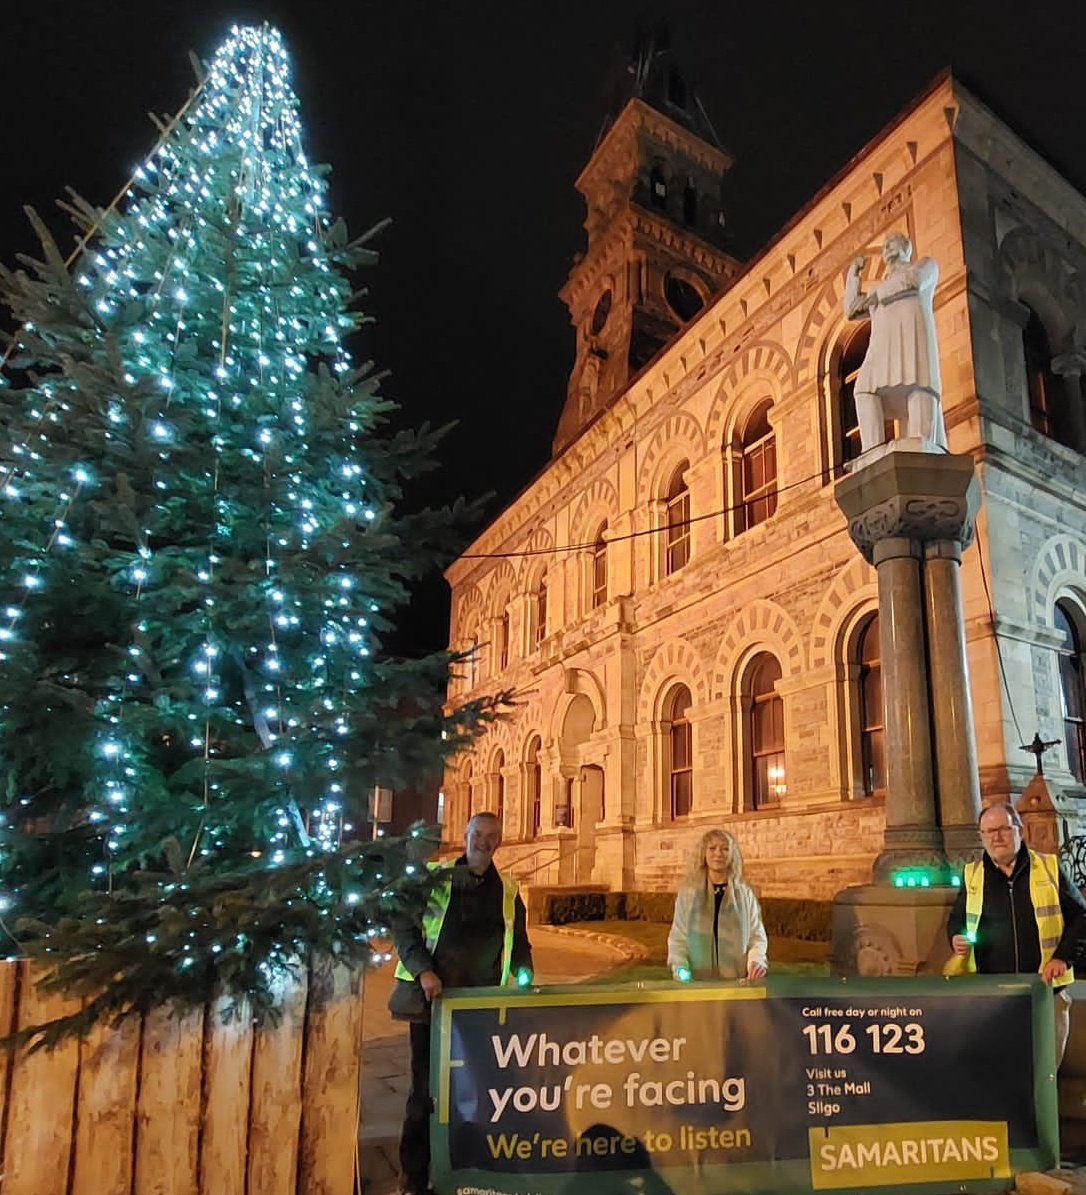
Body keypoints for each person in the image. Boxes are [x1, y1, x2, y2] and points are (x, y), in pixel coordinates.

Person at [391, 810, 533, 1195]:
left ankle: (461, 1170)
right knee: (425, 1094)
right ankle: (414, 1177)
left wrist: (524, 978)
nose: (483, 842)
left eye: (492, 836)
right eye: (478, 834)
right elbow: (403, 929)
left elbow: (519, 943)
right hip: (432, 1007)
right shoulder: (433, 879)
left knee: (472, 1094)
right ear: (465, 835)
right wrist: (423, 971)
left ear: (499, 842)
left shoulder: (507, 889)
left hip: (481, 1011)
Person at [947, 801, 1086, 1065]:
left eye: (1003, 829)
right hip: (994, 995)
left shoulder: (1049, 867)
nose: (996, 837)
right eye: (988, 831)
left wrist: (1063, 957)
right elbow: (957, 919)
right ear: (981, 837)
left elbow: (1081, 917)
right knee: (1004, 1071)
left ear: (1019, 831)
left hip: (1046, 992)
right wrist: (955, 937)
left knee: (1045, 1074)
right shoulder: (972, 874)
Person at [843, 231, 948, 454]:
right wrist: (853, 276)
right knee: (863, 390)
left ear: (906, 247)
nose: (887, 247)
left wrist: (875, 293)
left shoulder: (925, 265)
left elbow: (914, 281)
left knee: (919, 388)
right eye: (885, 245)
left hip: (913, 341)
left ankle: (925, 450)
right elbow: (851, 310)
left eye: (892, 242)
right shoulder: (878, 289)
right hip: (882, 347)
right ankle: (872, 453)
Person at [667, 828, 768, 981]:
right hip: (697, 984)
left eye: (725, 849)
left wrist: (756, 961)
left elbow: (756, 936)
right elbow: (678, 936)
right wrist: (680, 967)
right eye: (712, 848)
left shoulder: (745, 895)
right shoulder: (689, 894)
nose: (718, 853)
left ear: (732, 854)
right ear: (703, 853)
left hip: (736, 982)